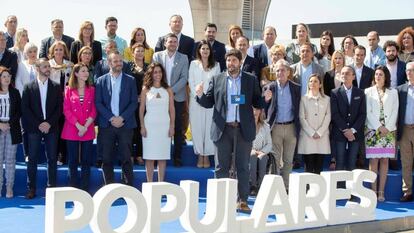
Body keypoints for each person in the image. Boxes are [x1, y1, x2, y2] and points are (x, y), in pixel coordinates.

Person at [195, 49, 262, 212]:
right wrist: (199, 95)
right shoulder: (217, 79)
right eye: (228, 60)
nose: (230, 63)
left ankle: (243, 201)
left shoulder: (250, 79)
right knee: (221, 167)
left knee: (243, 167)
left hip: (242, 130)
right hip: (222, 130)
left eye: (233, 60)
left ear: (240, 62)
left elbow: (257, 102)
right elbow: (208, 103)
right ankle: (220, 202)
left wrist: (265, 98)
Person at [95, 51, 137, 186]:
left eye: (120, 61)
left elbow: (133, 102)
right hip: (107, 125)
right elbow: (98, 103)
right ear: (109, 63)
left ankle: (128, 187)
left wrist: (122, 118)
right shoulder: (101, 81)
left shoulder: (130, 80)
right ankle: (109, 187)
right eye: (115, 61)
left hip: (126, 125)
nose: (119, 63)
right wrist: (112, 118)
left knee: (126, 158)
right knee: (106, 158)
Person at [22, 58, 63, 199]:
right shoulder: (28, 87)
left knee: (52, 159)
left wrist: (48, 123)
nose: (48, 69)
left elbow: (59, 108)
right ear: (38, 68)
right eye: (45, 66)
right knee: (32, 158)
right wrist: (39, 124)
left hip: (52, 128)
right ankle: (31, 188)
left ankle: (51, 188)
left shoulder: (56, 87)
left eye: (48, 67)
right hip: (34, 128)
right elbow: (25, 109)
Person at [264, 59, 300, 191]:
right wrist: (265, 100)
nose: (280, 73)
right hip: (276, 127)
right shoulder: (269, 87)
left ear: (288, 72)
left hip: (291, 127)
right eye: (277, 70)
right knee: (275, 158)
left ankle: (286, 186)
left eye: (283, 70)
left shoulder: (296, 88)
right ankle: (275, 187)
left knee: (288, 160)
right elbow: (263, 108)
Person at [153, 33, 189, 167]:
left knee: (178, 128)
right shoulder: (157, 56)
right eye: (170, 41)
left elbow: (184, 78)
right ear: (165, 43)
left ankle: (177, 157)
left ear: (177, 44)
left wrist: (171, 91)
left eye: (175, 41)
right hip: (159, 96)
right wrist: (163, 91)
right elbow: (154, 75)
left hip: (177, 97)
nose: (173, 43)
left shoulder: (184, 58)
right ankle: (160, 156)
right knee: (161, 128)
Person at [365, 65, 398, 202]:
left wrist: (387, 127)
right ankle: (373, 191)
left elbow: (395, 111)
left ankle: (381, 192)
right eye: (376, 74)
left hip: (389, 131)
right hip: (373, 131)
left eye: (381, 75)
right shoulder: (368, 91)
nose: (378, 77)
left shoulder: (393, 92)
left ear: (386, 77)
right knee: (374, 160)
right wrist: (379, 127)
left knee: (384, 160)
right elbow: (368, 112)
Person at [61, 63, 96, 191]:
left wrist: (85, 126)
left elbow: (94, 110)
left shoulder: (92, 89)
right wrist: (78, 126)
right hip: (72, 129)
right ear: (76, 74)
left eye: (87, 71)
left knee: (86, 161)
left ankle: (85, 189)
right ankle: (73, 190)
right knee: (72, 161)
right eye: (83, 71)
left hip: (87, 129)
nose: (86, 73)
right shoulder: (68, 89)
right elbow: (66, 110)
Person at [139, 63, 174, 182]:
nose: (158, 74)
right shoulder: (146, 89)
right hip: (149, 126)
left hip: (164, 126)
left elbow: (172, 109)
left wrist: (172, 126)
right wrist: (142, 126)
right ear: (151, 74)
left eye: (159, 72)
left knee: (162, 156)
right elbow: (141, 109)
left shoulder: (168, 89)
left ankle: (160, 184)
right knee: (149, 157)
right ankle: (149, 184)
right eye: (155, 72)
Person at [188, 40, 220, 168]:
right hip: (196, 101)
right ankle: (200, 155)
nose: (205, 51)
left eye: (207, 49)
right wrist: (198, 95)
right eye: (203, 49)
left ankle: (206, 156)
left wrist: (207, 97)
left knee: (208, 128)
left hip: (210, 101)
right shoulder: (193, 64)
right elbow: (191, 81)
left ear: (210, 51)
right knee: (197, 128)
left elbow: (217, 82)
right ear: (199, 51)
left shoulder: (216, 65)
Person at [330, 66, 366, 173]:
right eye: (343, 73)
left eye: (347, 73)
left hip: (355, 134)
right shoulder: (335, 92)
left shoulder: (360, 93)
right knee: (340, 162)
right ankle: (339, 188)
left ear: (353, 76)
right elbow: (335, 114)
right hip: (340, 132)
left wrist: (353, 130)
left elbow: (362, 114)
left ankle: (351, 189)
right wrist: (346, 130)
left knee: (352, 163)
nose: (344, 75)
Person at [298, 74, 331, 175]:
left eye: (315, 81)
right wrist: (312, 133)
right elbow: (302, 118)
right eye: (311, 81)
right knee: (308, 167)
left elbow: (328, 117)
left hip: (322, 137)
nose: (312, 83)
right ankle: (307, 189)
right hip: (308, 137)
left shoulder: (327, 99)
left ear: (320, 85)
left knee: (319, 168)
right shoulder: (303, 99)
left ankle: (317, 190)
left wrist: (320, 132)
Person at [0, 66, 22, 198]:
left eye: (8, 76)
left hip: (11, 129)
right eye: (4, 76)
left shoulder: (15, 93)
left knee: (10, 160)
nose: (7, 78)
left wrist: (8, 124)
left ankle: (9, 187)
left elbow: (19, 111)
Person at [397, 61, 414, 202]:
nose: (409, 72)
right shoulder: (400, 89)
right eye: (407, 70)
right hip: (405, 130)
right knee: (406, 162)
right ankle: (407, 192)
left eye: (412, 70)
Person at [128, 43, 148, 165]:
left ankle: (139, 155)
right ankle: (130, 154)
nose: (140, 53)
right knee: (131, 129)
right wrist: (134, 96)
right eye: (137, 51)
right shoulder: (127, 67)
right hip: (130, 102)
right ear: (132, 52)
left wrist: (143, 96)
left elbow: (151, 83)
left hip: (144, 102)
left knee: (142, 127)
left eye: (142, 51)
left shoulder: (148, 67)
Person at [249, 107, 272, 196]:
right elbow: (244, 142)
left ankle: (261, 185)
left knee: (262, 158)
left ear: (260, 111)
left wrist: (262, 152)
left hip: (262, 152)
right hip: (249, 151)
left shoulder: (266, 126)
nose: (255, 112)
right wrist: (251, 150)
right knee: (252, 156)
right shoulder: (245, 125)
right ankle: (253, 185)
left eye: (257, 109)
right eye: (253, 109)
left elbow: (269, 144)